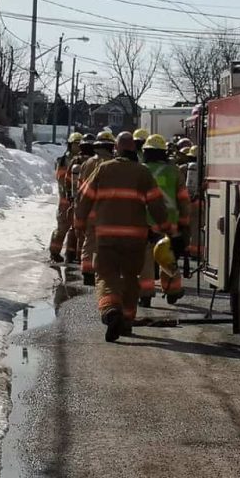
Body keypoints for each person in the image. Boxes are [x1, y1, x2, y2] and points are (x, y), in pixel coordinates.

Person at [76, 132, 168, 342]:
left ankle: (110, 311)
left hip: (106, 237)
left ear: (116, 149)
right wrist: (165, 228)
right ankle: (126, 322)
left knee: (106, 276)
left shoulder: (104, 169)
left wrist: (80, 224)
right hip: (135, 238)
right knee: (130, 279)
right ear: (135, 150)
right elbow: (156, 203)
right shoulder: (142, 173)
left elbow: (85, 197)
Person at [138, 133, 190, 305]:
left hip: (144, 222)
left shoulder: (140, 170)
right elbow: (183, 199)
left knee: (145, 259)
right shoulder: (173, 171)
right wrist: (184, 223)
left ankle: (145, 294)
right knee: (168, 257)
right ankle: (173, 290)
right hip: (170, 223)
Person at [76, 131, 116, 286]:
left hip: (89, 207)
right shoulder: (113, 164)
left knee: (89, 240)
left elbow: (80, 187)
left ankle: (87, 271)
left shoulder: (87, 163)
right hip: (106, 210)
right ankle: (103, 271)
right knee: (106, 242)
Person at [50, 132, 82, 264]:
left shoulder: (81, 160)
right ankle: (54, 253)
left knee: (75, 229)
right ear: (70, 144)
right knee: (62, 228)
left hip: (76, 200)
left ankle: (71, 254)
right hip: (65, 201)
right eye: (76, 144)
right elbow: (61, 180)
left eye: (80, 144)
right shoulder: (63, 160)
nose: (78, 146)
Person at [67, 133, 95, 265]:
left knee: (77, 229)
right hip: (92, 203)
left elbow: (68, 179)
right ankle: (81, 258)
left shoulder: (76, 161)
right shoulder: (96, 162)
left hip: (77, 200)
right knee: (88, 232)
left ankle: (73, 256)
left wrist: (69, 197)